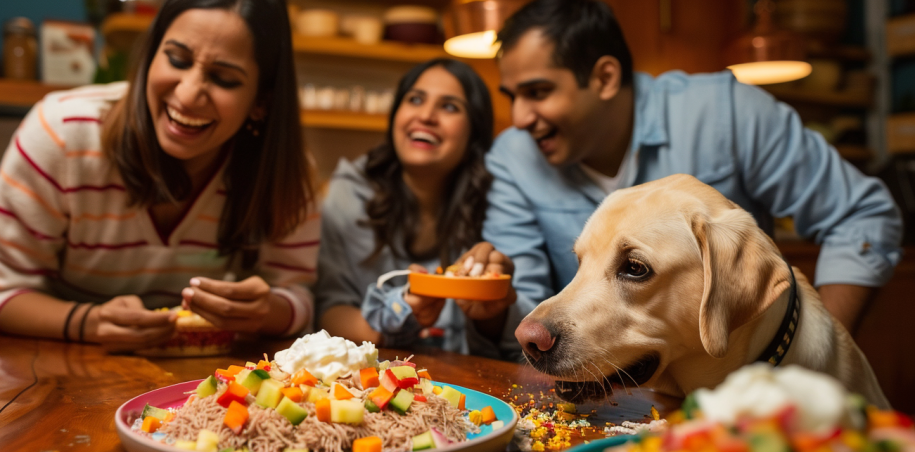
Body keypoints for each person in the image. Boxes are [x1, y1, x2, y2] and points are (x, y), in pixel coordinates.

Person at [459, 0, 904, 362]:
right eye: (511, 96)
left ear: (605, 78)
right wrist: (494, 312)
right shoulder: (513, 159)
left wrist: (821, 353)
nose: (519, 118)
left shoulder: (727, 113)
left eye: (538, 93)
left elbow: (862, 216)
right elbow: (535, 313)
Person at [0, 0, 319, 352]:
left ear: (262, 101)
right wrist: (86, 322)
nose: (187, 94)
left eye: (223, 79)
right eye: (177, 59)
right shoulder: (59, 135)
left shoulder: (284, 172)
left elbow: (299, 299)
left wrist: (265, 311)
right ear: (150, 57)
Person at [315, 58, 496, 352]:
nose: (425, 115)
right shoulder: (349, 192)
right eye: (415, 99)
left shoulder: (498, 200)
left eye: (449, 106)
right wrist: (397, 313)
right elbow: (329, 312)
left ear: (474, 132)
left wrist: (494, 300)